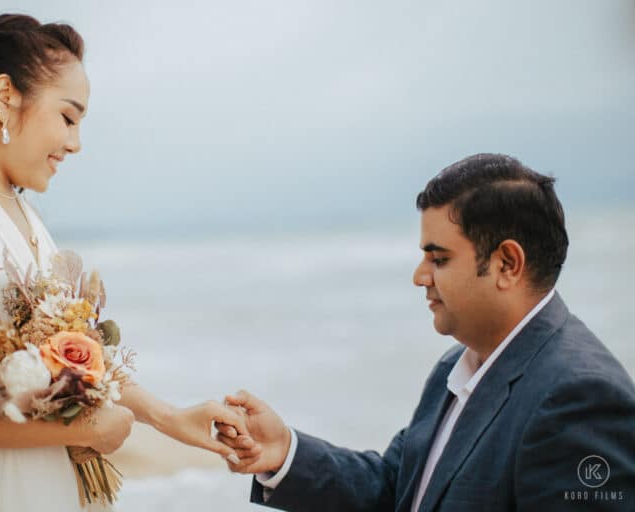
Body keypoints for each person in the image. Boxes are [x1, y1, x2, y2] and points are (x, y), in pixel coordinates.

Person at [0, 14, 245, 512]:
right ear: (5, 98)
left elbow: (71, 357)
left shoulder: (22, 213)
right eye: (68, 117)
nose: (75, 143)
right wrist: (88, 426)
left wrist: (170, 418)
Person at [218, 153, 635, 511]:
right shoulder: (457, 365)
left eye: (439, 259)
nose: (420, 277)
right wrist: (285, 452)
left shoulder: (579, 398)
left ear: (507, 264)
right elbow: (397, 489)